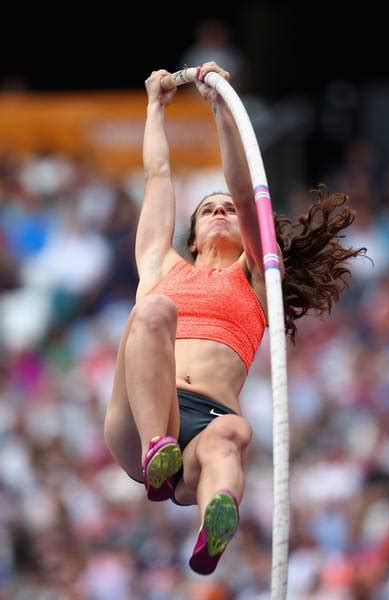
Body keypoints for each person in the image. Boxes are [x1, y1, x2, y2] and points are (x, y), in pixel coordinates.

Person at [103, 62, 367, 576]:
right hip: (142, 414)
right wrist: (154, 107)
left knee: (234, 435)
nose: (222, 211)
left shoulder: (257, 278)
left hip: (207, 420)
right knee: (153, 308)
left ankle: (214, 520)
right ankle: (159, 451)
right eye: (209, 210)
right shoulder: (161, 266)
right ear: (194, 237)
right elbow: (158, 176)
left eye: (226, 208)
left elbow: (246, 191)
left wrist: (219, 107)